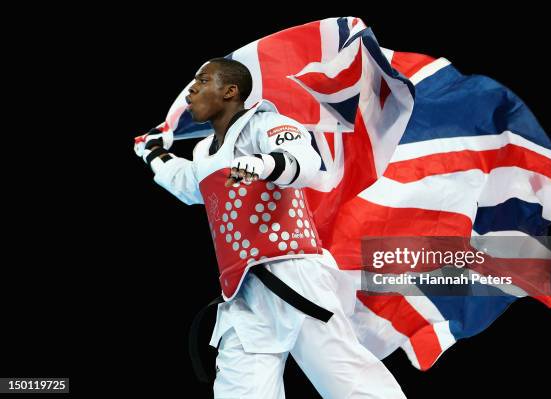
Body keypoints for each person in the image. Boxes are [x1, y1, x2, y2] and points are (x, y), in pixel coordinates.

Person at [134, 58, 406, 398]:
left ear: (230, 91)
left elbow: (304, 160)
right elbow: (189, 184)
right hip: (243, 293)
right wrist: (153, 152)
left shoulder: (266, 124)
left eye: (202, 81)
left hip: (295, 276)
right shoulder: (205, 152)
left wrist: (264, 164)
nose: (191, 89)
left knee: (349, 383)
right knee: (240, 391)